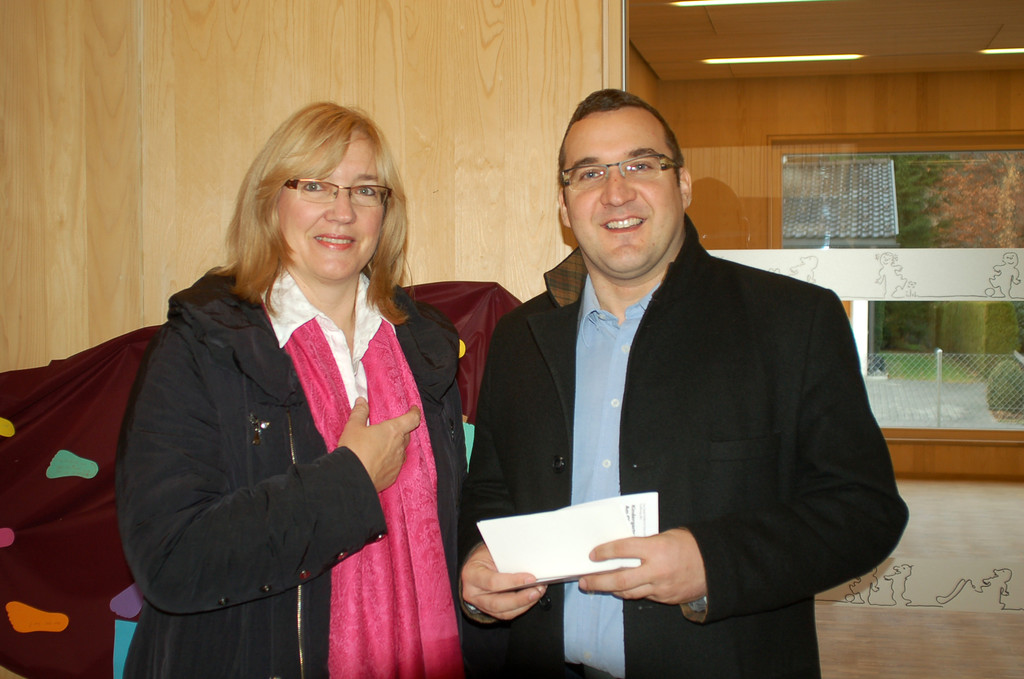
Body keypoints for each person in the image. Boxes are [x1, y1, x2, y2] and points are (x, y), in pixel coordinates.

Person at [456, 89, 909, 678]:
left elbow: (865, 511)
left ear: (684, 185)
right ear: (565, 207)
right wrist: (478, 562)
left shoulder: (792, 322)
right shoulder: (520, 337)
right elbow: (490, 493)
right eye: (589, 173)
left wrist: (710, 563)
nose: (616, 192)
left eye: (641, 165)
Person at [116, 102, 466, 678]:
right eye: (315, 185)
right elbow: (170, 559)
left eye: (365, 190)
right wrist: (349, 481)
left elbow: (449, 530)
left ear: (386, 212)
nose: (342, 212)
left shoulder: (425, 348)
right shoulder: (201, 344)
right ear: (270, 200)